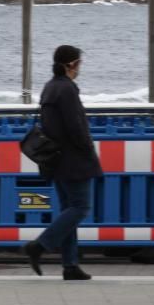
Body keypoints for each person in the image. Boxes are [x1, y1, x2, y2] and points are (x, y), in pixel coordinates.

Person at [23, 45, 102, 280]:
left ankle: (70, 265)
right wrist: (89, 151)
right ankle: (40, 245)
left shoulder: (50, 87)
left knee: (68, 209)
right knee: (80, 208)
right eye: (79, 63)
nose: (80, 68)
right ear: (71, 65)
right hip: (74, 160)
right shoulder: (67, 89)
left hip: (55, 159)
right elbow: (75, 127)